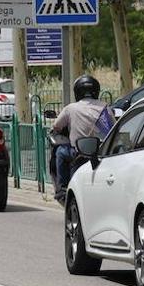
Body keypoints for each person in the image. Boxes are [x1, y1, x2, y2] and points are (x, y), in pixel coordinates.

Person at [50, 74, 107, 202]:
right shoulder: (104, 107)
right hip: (101, 152)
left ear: (77, 92)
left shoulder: (70, 108)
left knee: (60, 152)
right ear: (96, 91)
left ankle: (62, 189)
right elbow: (111, 128)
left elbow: (56, 126)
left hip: (78, 152)